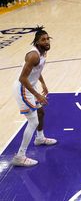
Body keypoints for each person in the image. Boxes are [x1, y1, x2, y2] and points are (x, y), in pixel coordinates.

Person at [11, 27, 57, 167]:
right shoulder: (33, 55)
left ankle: (40, 138)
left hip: (31, 87)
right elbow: (22, 78)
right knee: (33, 121)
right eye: (43, 39)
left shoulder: (43, 53)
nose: (47, 41)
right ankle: (20, 156)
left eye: (48, 38)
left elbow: (37, 70)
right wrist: (37, 94)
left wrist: (43, 83)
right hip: (23, 89)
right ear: (37, 42)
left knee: (41, 112)